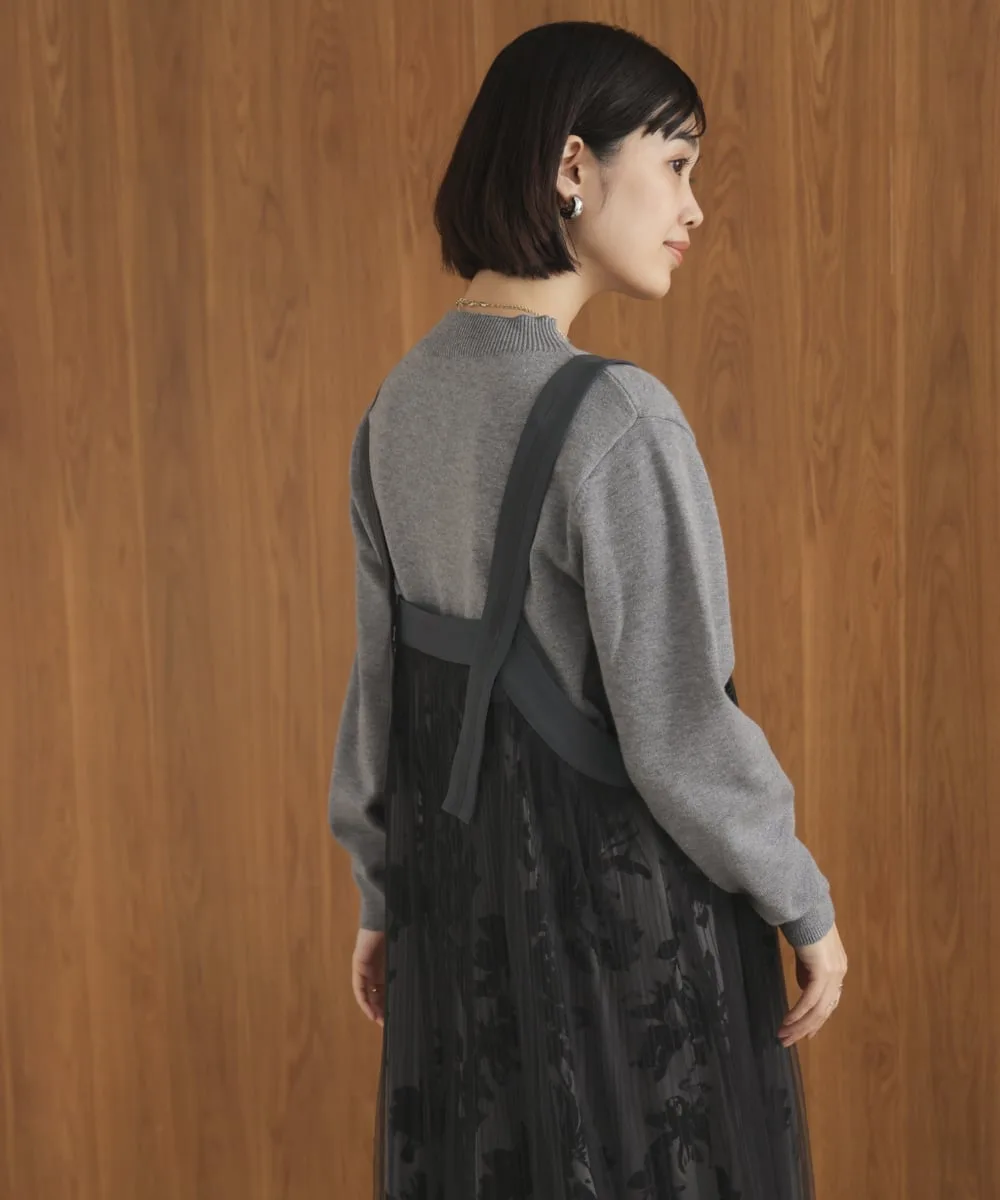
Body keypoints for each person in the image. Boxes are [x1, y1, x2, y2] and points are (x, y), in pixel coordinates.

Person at [329, 19, 848, 1200]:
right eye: (675, 163)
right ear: (573, 164)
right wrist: (800, 899)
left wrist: (380, 895)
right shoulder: (618, 418)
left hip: (466, 926)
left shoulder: (394, 410)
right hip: (623, 953)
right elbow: (680, 730)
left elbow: (381, 693)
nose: (693, 207)